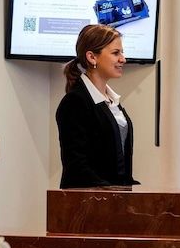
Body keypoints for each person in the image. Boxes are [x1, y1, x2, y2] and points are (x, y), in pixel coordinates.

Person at [56, 24, 139, 189]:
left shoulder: (111, 100)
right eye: (116, 53)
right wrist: (111, 191)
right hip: (89, 199)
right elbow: (76, 166)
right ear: (92, 57)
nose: (123, 59)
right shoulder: (75, 102)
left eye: (122, 52)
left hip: (114, 196)